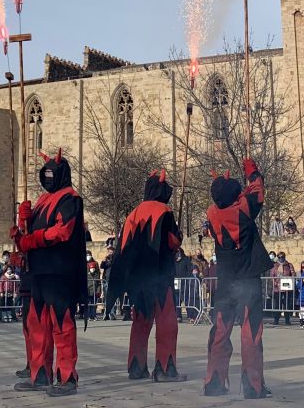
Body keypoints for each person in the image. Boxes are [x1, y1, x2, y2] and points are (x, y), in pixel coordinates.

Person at [12, 152, 87, 397]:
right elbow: (25, 237)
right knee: (37, 324)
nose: (48, 177)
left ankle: (67, 378)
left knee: (62, 325)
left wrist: (32, 239)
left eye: (51, 173)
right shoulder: (43, 199)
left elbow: (62, 231)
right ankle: (39, 374)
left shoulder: (71, 198)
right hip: (38, 272)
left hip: (60, 271)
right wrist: (23, 221)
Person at [108, 170, 187, 382]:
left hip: (138, 279)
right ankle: (164, 368)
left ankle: (136, 366)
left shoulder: (132, 214)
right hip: (160, 276)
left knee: (141, 321)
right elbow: (171, 242)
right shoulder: (164, 211)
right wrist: (178, 238)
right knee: (167, 321)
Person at [203, 159, 271, 399]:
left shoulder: (212, 214)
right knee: (250, 333)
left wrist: (221, 184)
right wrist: (251, 169)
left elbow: (223, 198)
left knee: (220, 331)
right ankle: (253, 385)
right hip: (247, 279)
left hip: (225, 281)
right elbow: (258, 189)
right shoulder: (243, 209)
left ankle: (214, 382)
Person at [269, 251, 296, 326]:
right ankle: (276, 320)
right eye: (279, 257)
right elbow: (272, 275)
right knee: (277, 305)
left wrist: (290, 280)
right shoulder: (275, 266)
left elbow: (293, 274)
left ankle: (287, 320)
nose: (281, 258)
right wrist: (274, 282)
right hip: (277, 289)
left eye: (282, 257)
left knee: (286, 305)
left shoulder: (289, 265)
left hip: (286, 288)